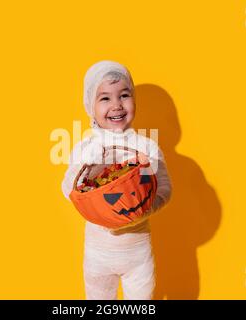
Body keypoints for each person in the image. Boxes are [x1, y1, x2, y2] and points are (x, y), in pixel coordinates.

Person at [61, 60, 172, 300]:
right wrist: (84, 165)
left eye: (124, 95)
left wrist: (146, 207)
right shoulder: (85, 149)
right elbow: (67, 189)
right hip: (97, 254)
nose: (117, 105)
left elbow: (164, 188)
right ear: (90, 106)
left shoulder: (147, 148)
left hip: (138, 253)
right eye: (105, 99)